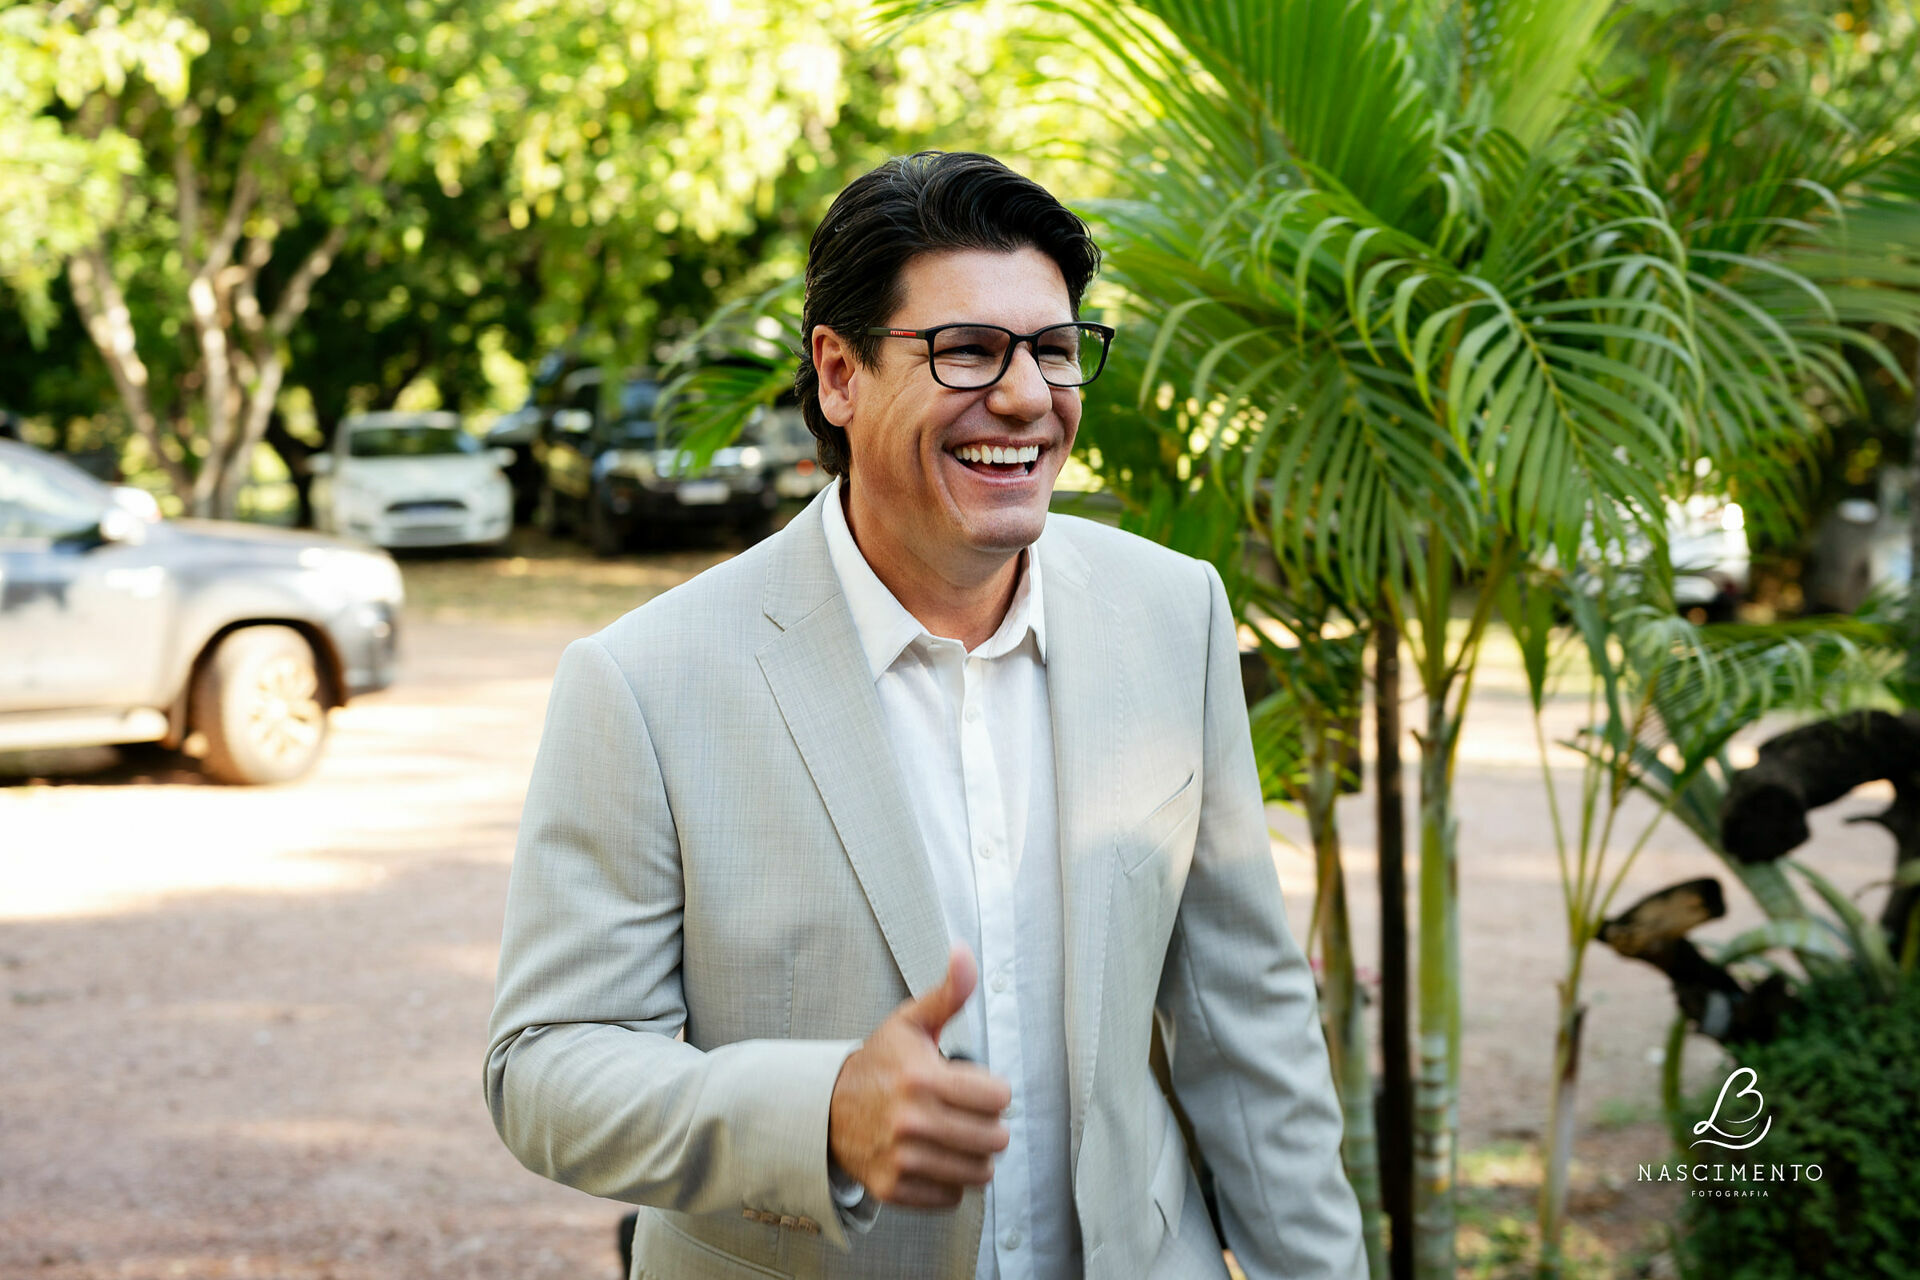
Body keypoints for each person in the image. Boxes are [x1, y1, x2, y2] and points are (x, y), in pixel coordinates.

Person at [485, 150, 1365, 1280]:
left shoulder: (1172, 613)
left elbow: (1248, 1028)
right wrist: (819, 1111)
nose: (1025, 395)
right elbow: (546, 1064)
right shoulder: (647, 680)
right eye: (966, 350)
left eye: (1054, 349)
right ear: (839, 373)